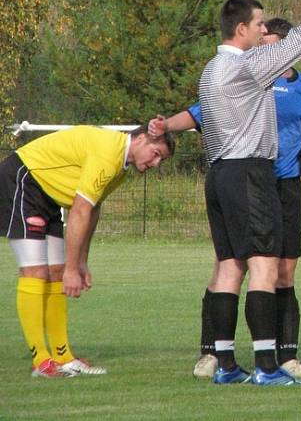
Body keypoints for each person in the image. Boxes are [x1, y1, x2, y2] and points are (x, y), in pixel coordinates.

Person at [149, 17, 301, 381]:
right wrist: (165, 126)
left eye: (265, 36)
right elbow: (197, 113)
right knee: (230, 267)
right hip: (246, 183)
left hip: (283, 189)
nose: (258, 41)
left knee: (281, 273)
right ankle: (213, 354)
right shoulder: (244, 77)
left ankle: (285, 358)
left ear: (283, 45)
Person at [0, 124, 174, 377]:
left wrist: (80, 262)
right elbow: (80, 210)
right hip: (23, 179)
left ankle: (63, 356)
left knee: (57, 273)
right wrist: (73, 269)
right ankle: (41, 360)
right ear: (140, 139)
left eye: (162, 159)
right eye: (156, 153)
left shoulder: (121, 166)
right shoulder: (108, 154)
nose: (156, 163)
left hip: (49, 194)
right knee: (36, 272)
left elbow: (92, 209)